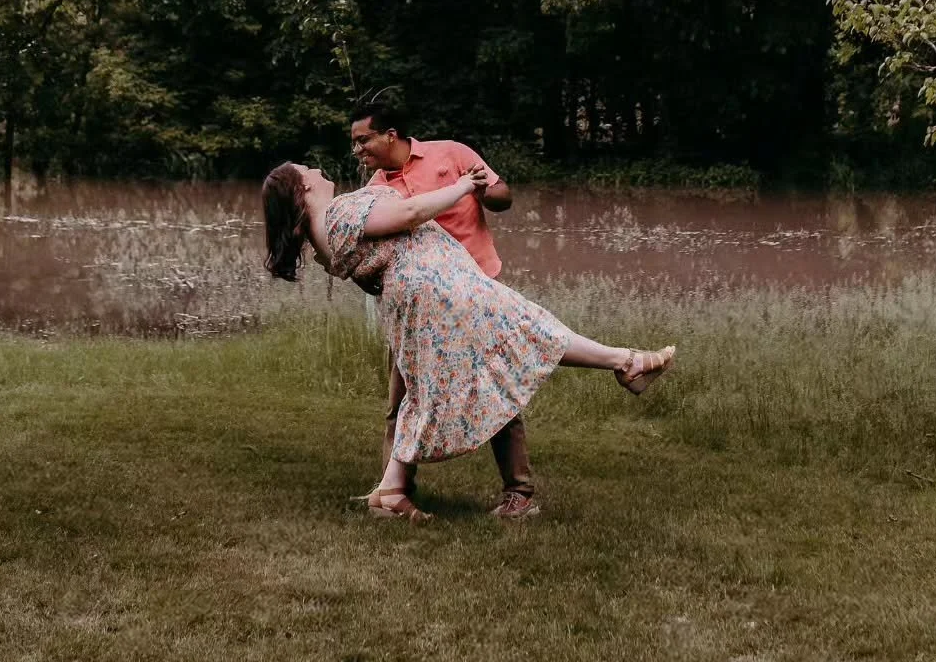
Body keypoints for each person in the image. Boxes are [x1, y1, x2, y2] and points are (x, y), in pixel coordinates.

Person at [261, 159, 675, 522]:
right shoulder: (337, 214)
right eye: (308, 170)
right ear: (303, 188)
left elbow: (382, 238)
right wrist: (462, 187)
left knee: (438, 385)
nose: (317, 170)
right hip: (439, 289)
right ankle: (626, 363)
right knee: (527, 330)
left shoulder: (322, 236)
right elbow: (409, 213)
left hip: (425, 294)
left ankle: (391, 490)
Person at [350, 103, 533, 520]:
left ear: (390, 135)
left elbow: (503, 197)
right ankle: (392, 491)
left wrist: (485, 189)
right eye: (354, 143)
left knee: (496, 390)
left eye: (363, 140)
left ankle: (519, 494)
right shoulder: (376, 190)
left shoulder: (451, 154)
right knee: (401, 397)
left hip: (478, 292)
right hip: (419, 307)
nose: (357, 150)